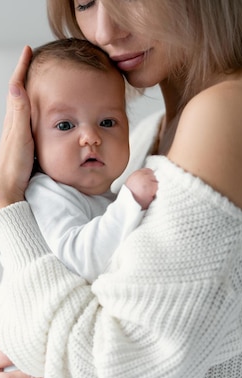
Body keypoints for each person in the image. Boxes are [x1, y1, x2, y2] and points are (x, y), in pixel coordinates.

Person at [0, 0, 242, 378]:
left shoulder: (233, 112)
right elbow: (89, 299)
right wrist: (3, 362)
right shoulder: (144, 139)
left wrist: (6, 205)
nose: (104, 31)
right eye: (85, 3)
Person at [24, 38, 157, 278]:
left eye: (107, 122)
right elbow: (81, 260)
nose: (91, 138)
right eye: (65, 125)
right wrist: (132, 201)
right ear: (31, 137)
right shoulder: (46, 194)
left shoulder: (103, 196)